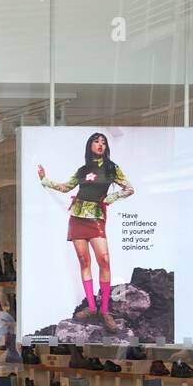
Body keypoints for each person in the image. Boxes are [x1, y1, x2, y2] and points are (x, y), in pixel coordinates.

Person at [37, 131, 134, 332]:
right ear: (90, 145)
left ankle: (104, 310)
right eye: (96, 141)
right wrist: (45, 180)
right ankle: (91, 306)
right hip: (77, 217)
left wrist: (110, 198)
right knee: (84, 262)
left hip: (96, 217)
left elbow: (129, 188)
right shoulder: (82, 170)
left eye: (104, 142)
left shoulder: (111, 168)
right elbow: (66, 187)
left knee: (104, 261)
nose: (100, 145)